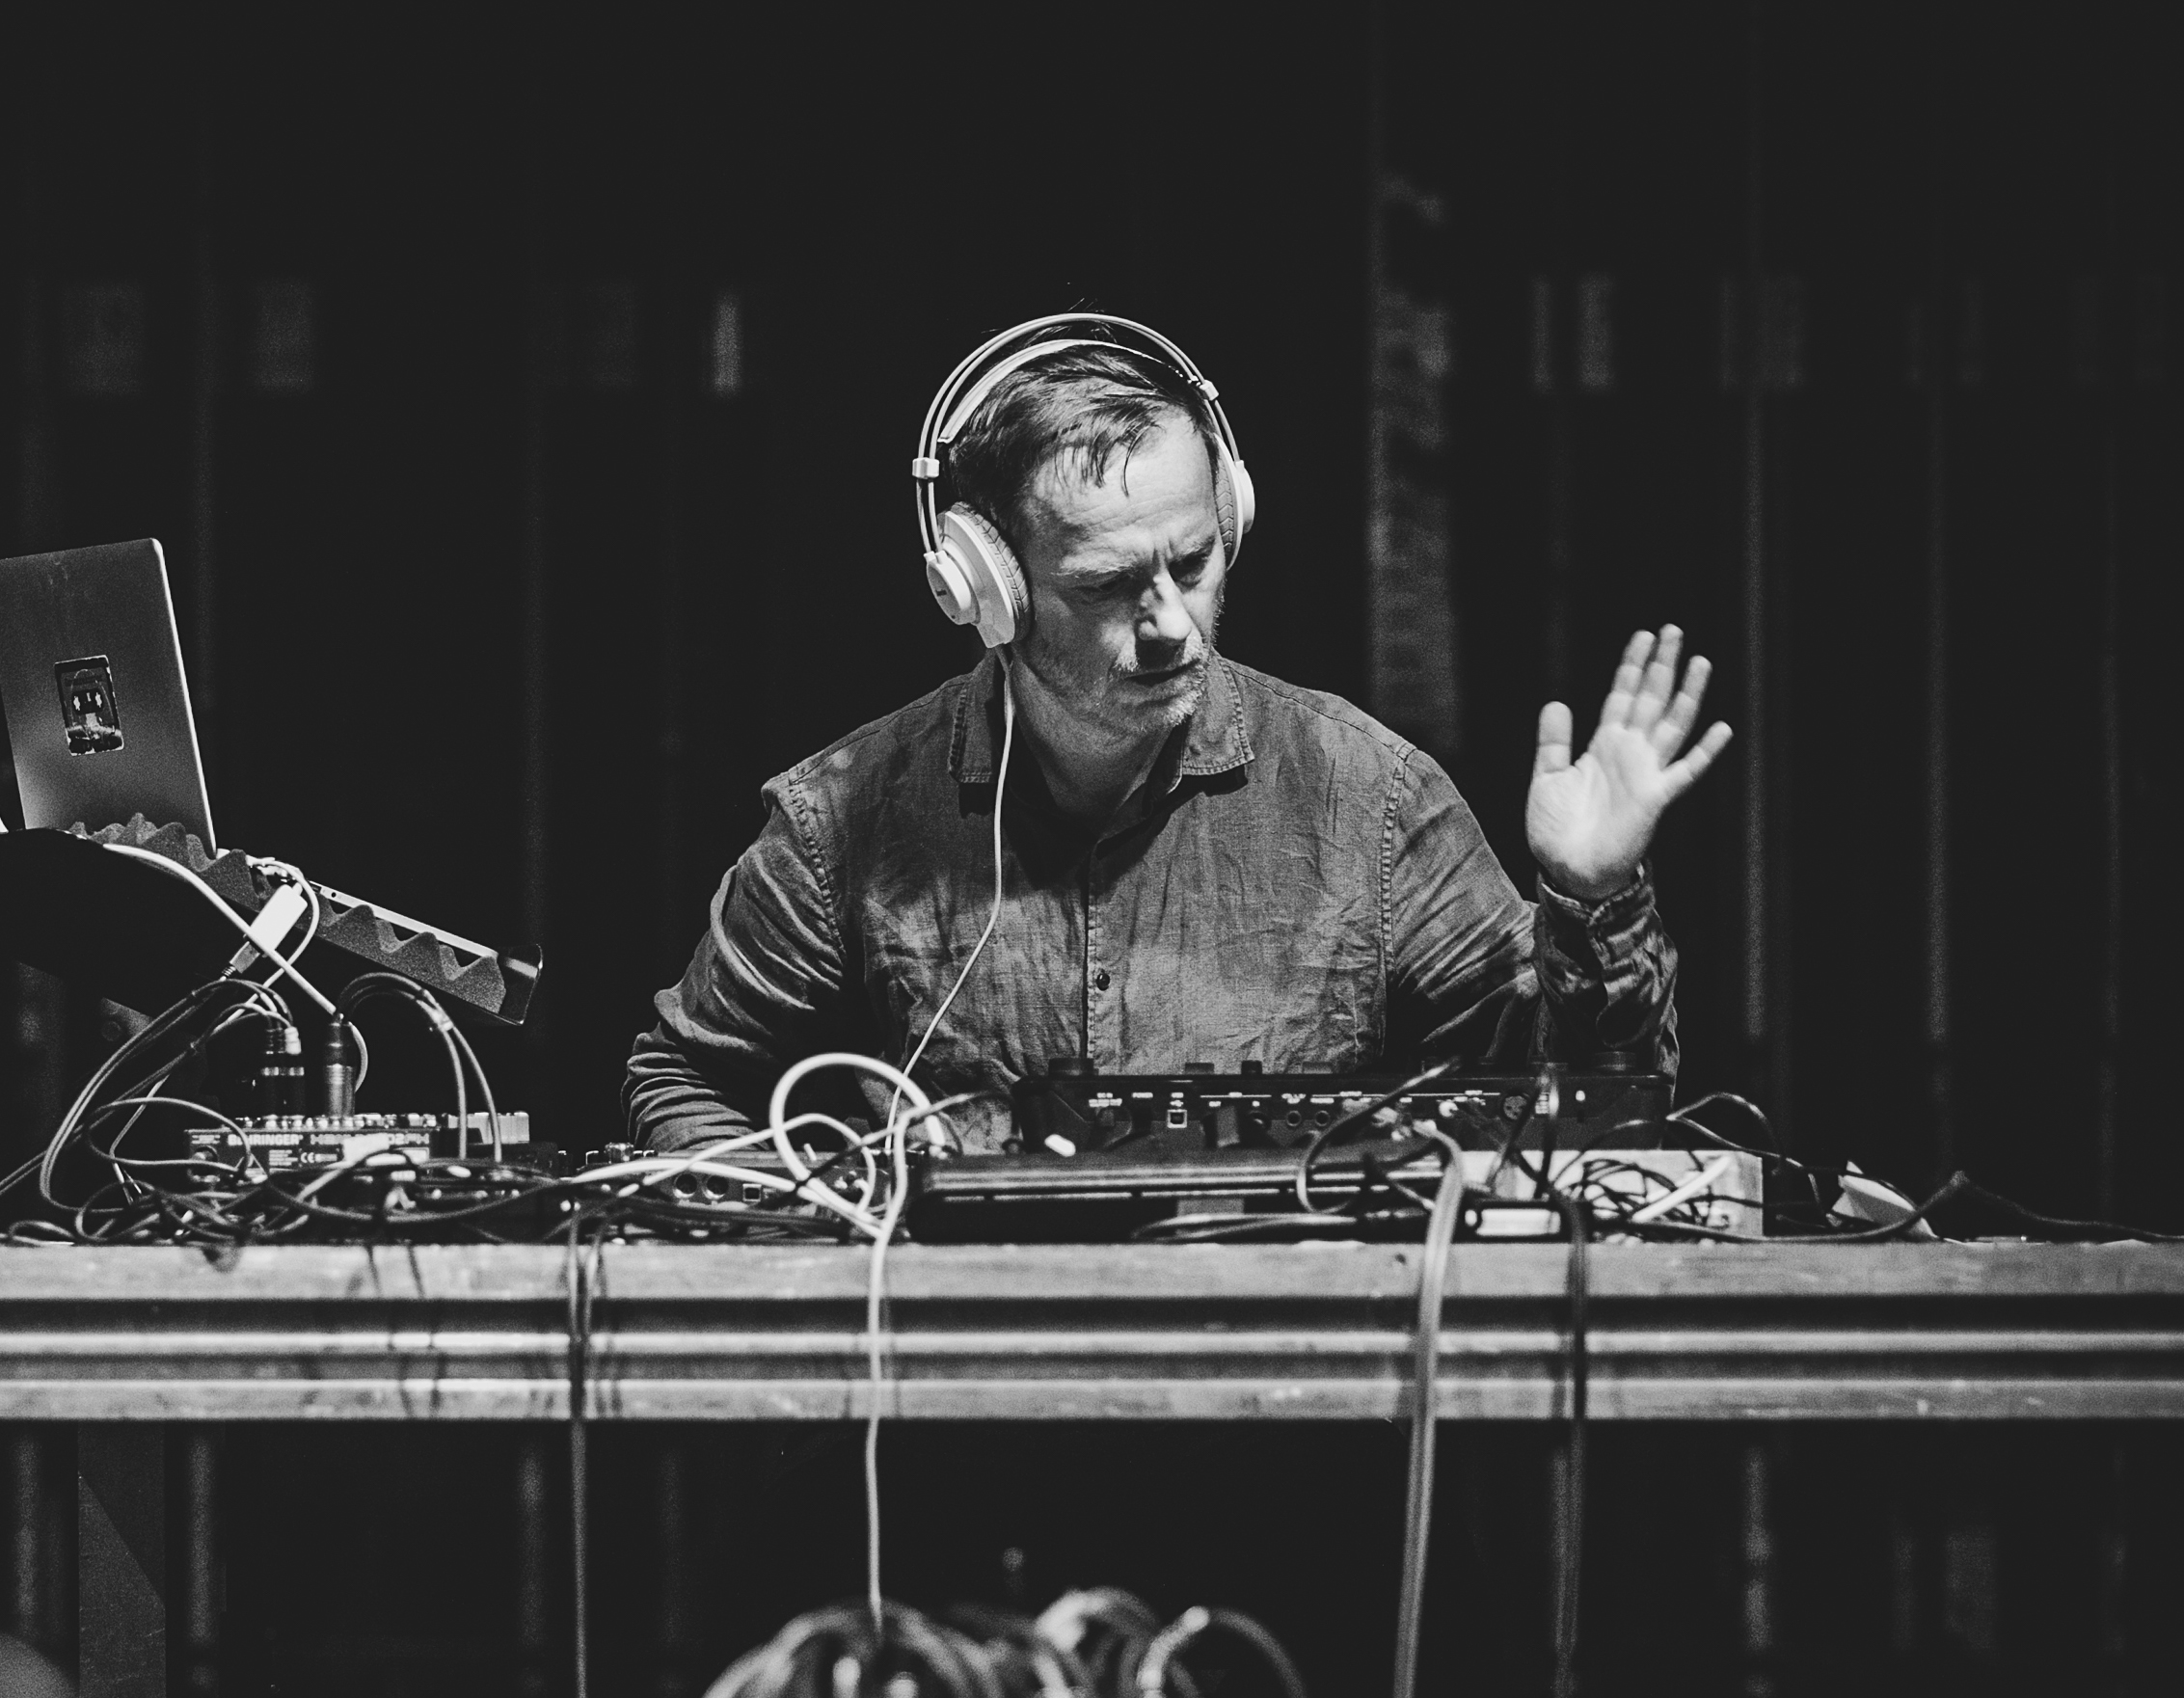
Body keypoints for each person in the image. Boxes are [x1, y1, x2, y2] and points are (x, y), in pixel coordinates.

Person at [625, 316, 1730, 1153]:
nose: (1171, 624)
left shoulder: (1371, 797)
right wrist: (823, 1240)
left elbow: (1585, 1116)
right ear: (990, 592)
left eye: (1193, 563)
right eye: (1109, 585)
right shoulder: (845, 818)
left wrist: (1591, 900)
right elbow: (681, 1081)